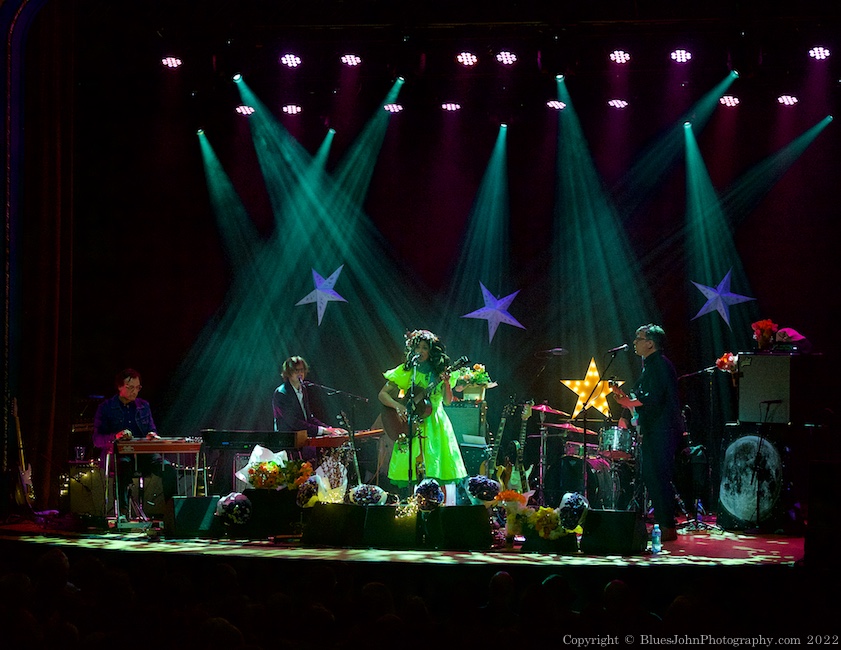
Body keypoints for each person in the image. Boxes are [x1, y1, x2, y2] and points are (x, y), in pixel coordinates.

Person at [610, 324, 683, 542]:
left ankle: (668, 527)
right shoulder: (650, 366)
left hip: (663, 430)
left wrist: (627, 401)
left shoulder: (659, 365)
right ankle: (665, 525)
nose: (635, 342)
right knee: (653, 477)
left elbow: (652, 398)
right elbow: (641, 398)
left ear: (650, 343)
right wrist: (625, 399)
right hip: (655, 429)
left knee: (659, 477)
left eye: (638, 338)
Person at [378, 329, 467, 503]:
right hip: (411, 425)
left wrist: (447, 383)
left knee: (435, 466)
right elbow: (382, 394)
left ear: (431, 351)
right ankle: (413, 505)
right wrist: (398, 407)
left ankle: (436, 505)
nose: (420, 351)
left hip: (435, 422)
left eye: (424, 348)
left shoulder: (441, 371)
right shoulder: (408, 371)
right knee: (412, 467)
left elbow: (448, 401)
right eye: (417, 347)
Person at [92, 368, 175, 514]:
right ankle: (123, 515)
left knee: (168, 469)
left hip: (143, 454)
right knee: (123, 467)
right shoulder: (106, 408)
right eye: (130, 387)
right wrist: (116, 436)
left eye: (137, 387)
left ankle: (172, 513)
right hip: (119, 455)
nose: (134, 391)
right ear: (119, 387)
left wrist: (152, 435)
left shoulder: (144, 406)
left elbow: (152, 429)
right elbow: (97, 440)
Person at [272, 356, 347, 437]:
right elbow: (293, 422)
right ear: (288, 373)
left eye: (302, 370)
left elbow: (308, 417)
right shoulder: (281, 393)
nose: (300, 373)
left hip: (303, 437)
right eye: (296, 370)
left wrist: (329, 429)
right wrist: (322, 430)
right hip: (287, 440)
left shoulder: (303, 389)